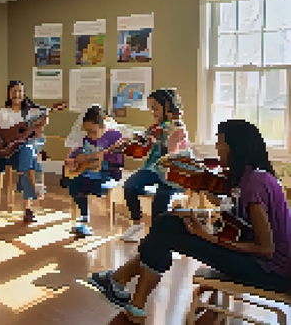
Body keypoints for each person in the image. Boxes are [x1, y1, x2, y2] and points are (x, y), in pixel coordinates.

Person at [88, 119, 291, 323]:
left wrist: (207, 237)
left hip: (268, 271)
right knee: (167, 221)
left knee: (164, 232)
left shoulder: (254, 184)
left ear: (235, 147)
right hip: (260, 264)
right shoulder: (251, 177)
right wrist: (196, 214)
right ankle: (128, 296)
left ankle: (125, 291)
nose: (217, 148)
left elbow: (266, 248)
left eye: (220, 142)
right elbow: (238, 220)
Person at [119, 88, 192, 242]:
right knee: (130, 186)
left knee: (160, 201)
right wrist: (130, 142)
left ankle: (158, 236)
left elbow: (175, 147)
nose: (152, 112)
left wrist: (166, 135)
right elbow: (144, 141)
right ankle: (137, 225)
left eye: (155, 108)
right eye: (151, 108)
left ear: (167, 107)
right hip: (154, 167)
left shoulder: (176, 126)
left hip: (173, 172)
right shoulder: (156, 127)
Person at [65, 105, 124, 236]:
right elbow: (81, 153)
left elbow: (119, 162)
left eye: (93, 131)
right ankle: (84, 218)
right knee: (74, 184)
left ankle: (91, 220)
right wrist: (74, 159)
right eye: (87, 131)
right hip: (90, 173)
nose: (89, 135)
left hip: (109, 174)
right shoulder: (87, 139)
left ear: (103, 126)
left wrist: (103, 157)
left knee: (93, 186)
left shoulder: (115, 137)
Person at [0, 81, 46, 220]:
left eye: (20, 91)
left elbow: (39, 138)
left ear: (23, 94)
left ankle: (27, 208)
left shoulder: (31, 113)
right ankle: (36, 187)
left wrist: (41, 125)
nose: (17, 94)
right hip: (9, 153)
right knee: (30, 157)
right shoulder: (2, 113)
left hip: (25, 153)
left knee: (28, 151)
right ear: (9, 94)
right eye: (14, 91)